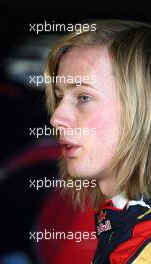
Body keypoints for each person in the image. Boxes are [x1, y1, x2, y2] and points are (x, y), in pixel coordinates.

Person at [44, 20, 151, 263]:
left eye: (83, 97)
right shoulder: (124, 219)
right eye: (60, 97)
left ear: (143, 107)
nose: (56, 118)